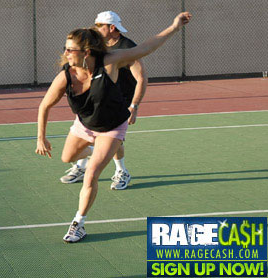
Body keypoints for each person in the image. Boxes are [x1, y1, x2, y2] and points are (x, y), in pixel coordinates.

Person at [35, 12, 191, 243]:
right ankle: (97, 153)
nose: (65, 53)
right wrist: (41, 137)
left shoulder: (109, 62)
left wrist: (174, 27)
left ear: (86, 52)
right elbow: (44, 105)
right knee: (66, 158)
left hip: (112, 127)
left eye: (70, 50)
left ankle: (78, 223)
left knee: (91, 176)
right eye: (65, 48)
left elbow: (147, 47)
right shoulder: (65, 77)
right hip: (85, 124)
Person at [60, 11, 147, 191]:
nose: (96, 28)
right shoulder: (97, 46)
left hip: (119, 101)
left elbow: (141, 78)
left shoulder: (126, 47)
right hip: (98, 96)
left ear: (112, 27)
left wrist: (134, 106)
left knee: (114, 139)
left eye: (99, 25)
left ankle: (122, 171)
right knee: (87, 133)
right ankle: (83, 165)